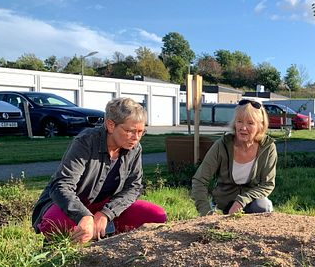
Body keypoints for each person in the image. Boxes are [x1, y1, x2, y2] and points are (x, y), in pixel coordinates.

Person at [32, 97, 167, 243]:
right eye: (130, 131)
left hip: (106, 206)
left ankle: (105, 231)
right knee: (55, 222)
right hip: (72, 206)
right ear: (110, 125)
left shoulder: (134, 148)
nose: (136, 138)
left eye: (141, 131)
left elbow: (133, 187)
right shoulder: (85, 142)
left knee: (156, 216)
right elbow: (61, 185)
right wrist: (83, 215)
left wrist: (106, 213)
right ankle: (87, 233)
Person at [191, 99, 277, 215]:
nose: (243, 127)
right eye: (239, 121)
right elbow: (199, 180)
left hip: (251, 202)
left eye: (250, 123)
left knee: (263, 206)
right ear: (234, 123)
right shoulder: (221, 145)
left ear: (260, 126)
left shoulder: (268, 147)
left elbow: (267, 184)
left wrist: (241, 201)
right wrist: (205, 211)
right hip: (222, 204)